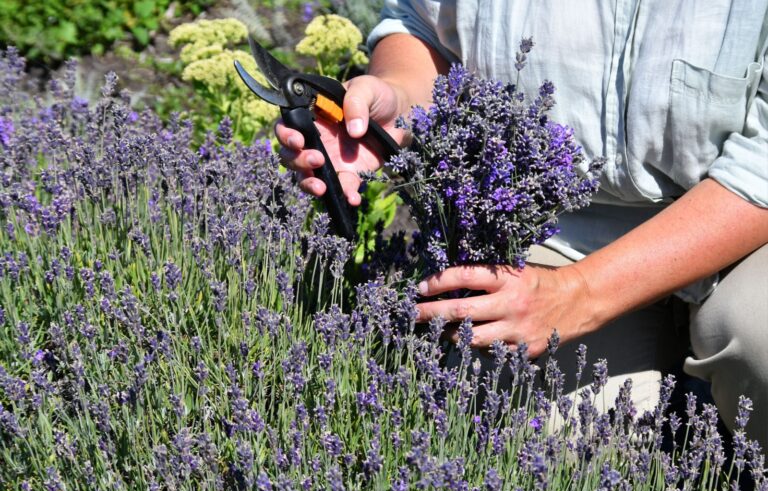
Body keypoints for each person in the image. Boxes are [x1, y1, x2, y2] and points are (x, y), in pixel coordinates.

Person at [276, 1, 768, 449]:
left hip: (744, 222)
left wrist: (580, 294)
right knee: (550, 449)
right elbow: (421, 25)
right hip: (554, 221)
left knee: (757, 337)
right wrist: (399, 100)